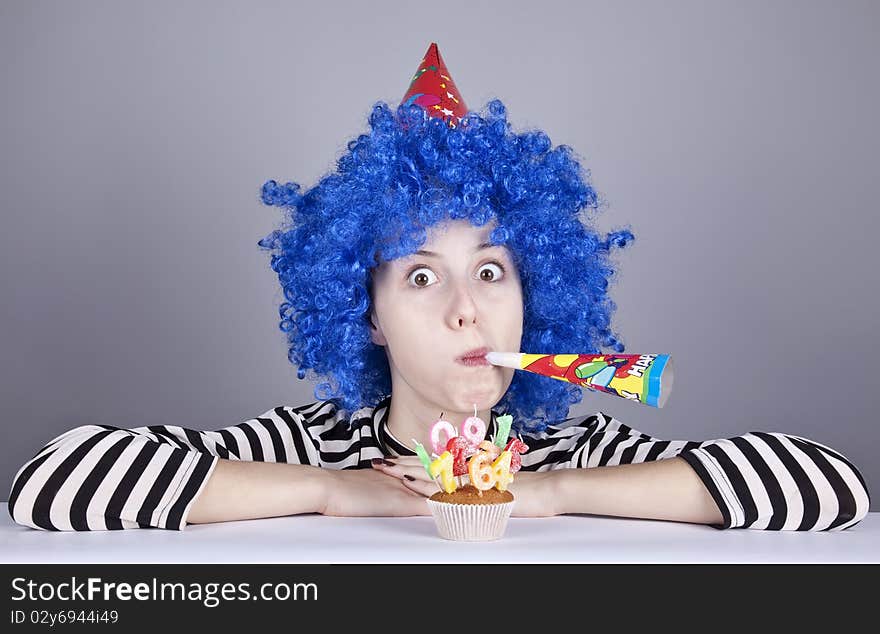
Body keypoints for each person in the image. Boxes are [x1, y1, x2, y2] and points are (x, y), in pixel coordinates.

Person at [7, 44, 869, 533]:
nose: (468, 307)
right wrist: (333, 490)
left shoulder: (575, 450)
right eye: (422, 277)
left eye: (491, 271)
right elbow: (50, 481)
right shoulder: (309, 446)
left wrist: (541, 492)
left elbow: (829, 485)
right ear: (369, 317)